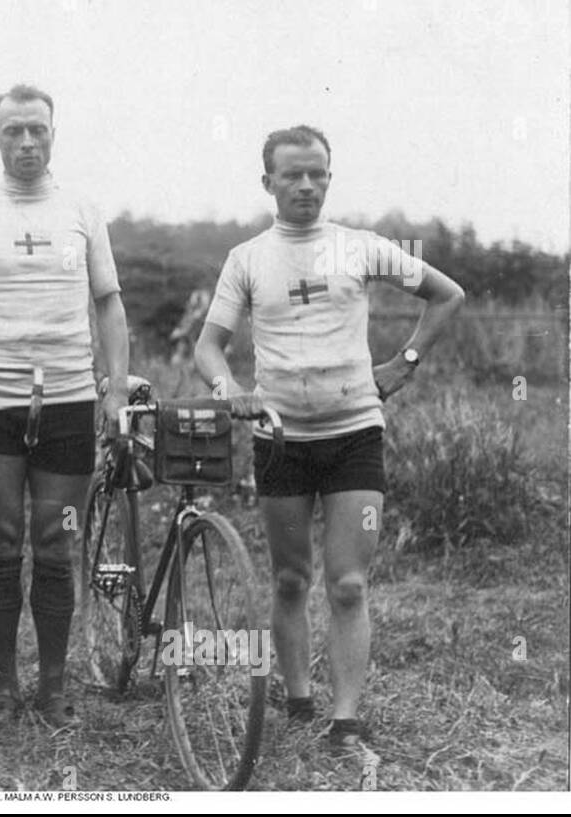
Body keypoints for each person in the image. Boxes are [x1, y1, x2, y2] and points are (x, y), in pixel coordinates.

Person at [195, 125, 465, 752]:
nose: (307, 185)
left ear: (329, 178)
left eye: (318, 173)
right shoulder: (248, 258)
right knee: (291, 579)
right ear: (269, 183)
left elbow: (447, 294)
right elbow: (210, 345)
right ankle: (296, 700)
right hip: (280, 438)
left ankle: (346, 721)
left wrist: (406, 361)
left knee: (348, 583)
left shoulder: (362, 248)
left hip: (353, 434)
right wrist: (228, 388)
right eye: (293, 174)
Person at [0, 84, 131, 729]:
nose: (27, 142)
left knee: (57, 541)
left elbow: (108, 304)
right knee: (5, 541)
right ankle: (4, 688)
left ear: (53, 132)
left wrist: (115, 386)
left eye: (37, 129)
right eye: (13, 131)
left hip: (66, 398)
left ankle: (54, 689)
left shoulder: (81, 211)